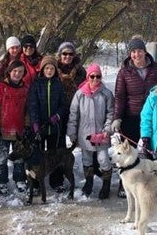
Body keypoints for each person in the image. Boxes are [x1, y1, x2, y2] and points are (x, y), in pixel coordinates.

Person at [113, 36, 157, 197]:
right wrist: (117, 118)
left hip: (152, 117)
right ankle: (124, 184)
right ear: (130, 54)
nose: (136, 55)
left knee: (149, 151)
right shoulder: (124, 72)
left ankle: (150, 186)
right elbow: (119, 96)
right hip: (131, 117)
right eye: (133, 51)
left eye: (139, 51)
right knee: (129, 152)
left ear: (144, 51)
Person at [67, 63, 115, 199]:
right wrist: (72, 133)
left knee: (103, 159)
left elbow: (110, 113)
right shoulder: (80, 94)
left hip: (101, 135)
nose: (95, 79)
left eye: (98, 76)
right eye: (92, 76)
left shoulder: (106, 93)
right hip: (85, 135)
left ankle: (106, 184)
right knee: (87, 159)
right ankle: (88, 182)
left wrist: (107, 129)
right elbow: (73, 114)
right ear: (88, 77)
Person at [0, 60, 29, 195]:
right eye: (14, 71)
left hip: (19, 130)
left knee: (19, 157)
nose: (17, 74)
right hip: (3, 130)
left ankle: (20, 179)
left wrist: (28, 125)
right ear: (9, 72)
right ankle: (1, 182)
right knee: (2, 157)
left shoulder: (25, 89)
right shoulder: (0, 87)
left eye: (20, 71)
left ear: (23, 74)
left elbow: (28, 110)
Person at [27, 55, 68, 191]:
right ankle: (36, 183)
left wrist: (57, 116)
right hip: (40, 127)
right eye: (47, 68)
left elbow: (64, 105)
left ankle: (56, 182)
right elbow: (32, 105)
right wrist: (35, 124)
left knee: (54, 155)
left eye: (52, 68)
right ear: (42, 69)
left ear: (55, 70)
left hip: (54, 127)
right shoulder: (36, 84)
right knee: (37, 155)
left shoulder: (58, 84)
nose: (49, 71)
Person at [53, 41, 87, 193]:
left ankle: (87, 178)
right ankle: (57, 180)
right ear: (60, 55)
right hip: (58, 112)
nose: (67, 57)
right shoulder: (53, 69)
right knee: (58, 146)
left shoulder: (81, 71)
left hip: (76, 111)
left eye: (70, 54)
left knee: (80, 143)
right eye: (64, 54)